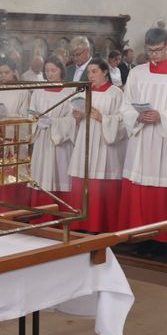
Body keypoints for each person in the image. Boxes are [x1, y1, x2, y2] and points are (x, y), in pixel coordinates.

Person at [117, 25, 167, 251]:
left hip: (164, 139)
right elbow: (125, 105)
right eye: (150, 51)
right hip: (141, 138)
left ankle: (163, 241)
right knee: (137, 186)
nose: (154, 55)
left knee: (163, 189)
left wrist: (162, 116)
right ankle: (136, 236)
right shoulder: (137, 72)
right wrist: (137, 117)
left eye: (158, 50)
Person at [65, 58, 127, 233]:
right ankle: (80, 224)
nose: (90, 75)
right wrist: (76, 119)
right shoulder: (84, 92)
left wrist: (103, 118)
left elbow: (123, 121)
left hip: (104, 145)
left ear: (105, 72)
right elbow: (74, 119)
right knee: (83, 180)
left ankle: (101, 227)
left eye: (94, 71)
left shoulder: (116, 93)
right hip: (85, 141)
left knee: (100, 186)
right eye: (89, 72)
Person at [28, 56, 75, 208]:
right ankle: (40, 213)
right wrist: (36, 121)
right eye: (47, 71)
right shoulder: (38, 92)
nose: (50, 74)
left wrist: (54, 123)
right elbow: (30, 114)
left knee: (60, 173)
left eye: (53, 70)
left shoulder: (70, 91)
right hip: (42, 139)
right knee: (41, 175)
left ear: (61, 71)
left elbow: (73, 119)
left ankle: (61, 211)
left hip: (60, 142)